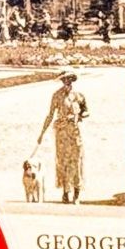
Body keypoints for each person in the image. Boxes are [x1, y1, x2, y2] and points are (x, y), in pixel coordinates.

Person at [36, 71, 89, 204]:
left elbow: (86, 111)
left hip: (75, 131)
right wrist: (42, 133)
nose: (67, 82)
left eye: (69, 79)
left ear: (72, 80)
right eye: (64, 80)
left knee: (76, 160)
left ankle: (77, 193)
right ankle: (66, 192)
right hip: (61, 131)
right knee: (63, 161)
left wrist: (79, 116)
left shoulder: (79, 95)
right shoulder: (57, 95)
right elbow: (50, 115)